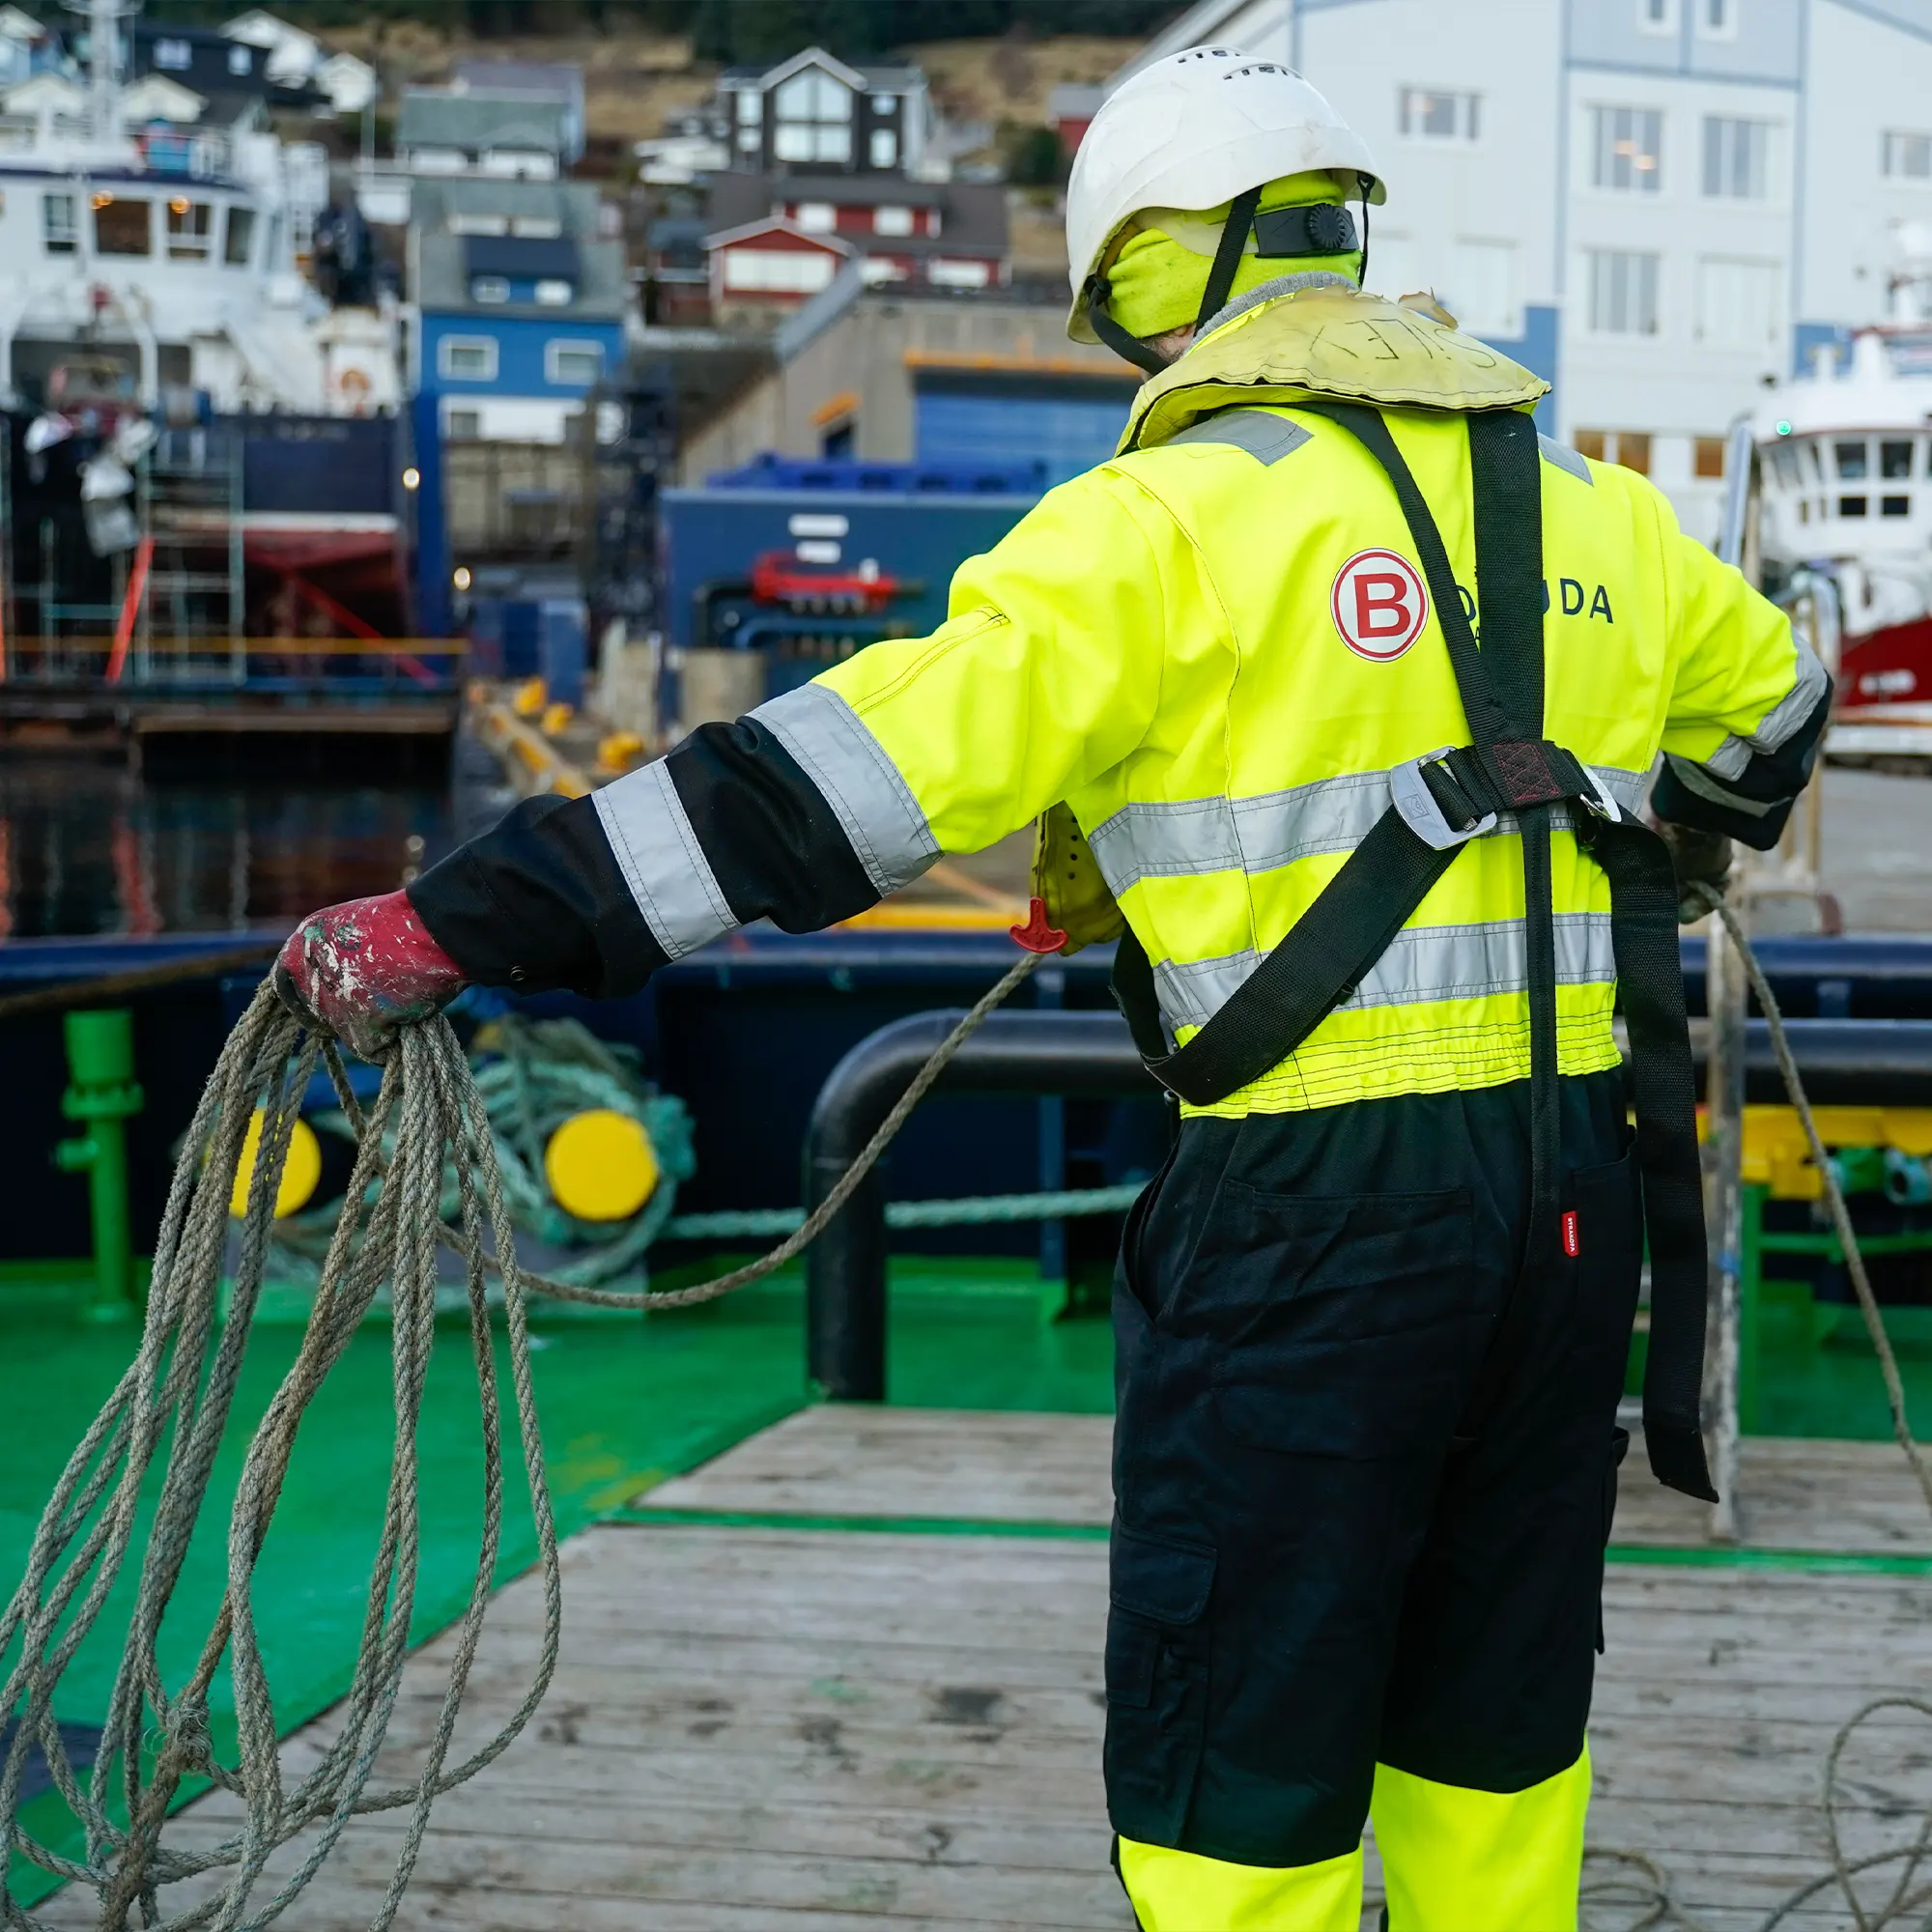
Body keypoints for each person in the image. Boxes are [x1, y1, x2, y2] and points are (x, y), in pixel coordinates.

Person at [278, 48, 1828, 1932]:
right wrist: (1657, 825)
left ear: (1165, 278)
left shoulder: (1158, 525)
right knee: (1492, 1710)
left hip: (1308, 1224)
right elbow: (1775, 717)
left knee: (1235, 1735)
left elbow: (808, 798)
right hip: (1568, 1201)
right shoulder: (1592, 508)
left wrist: (463, 921)